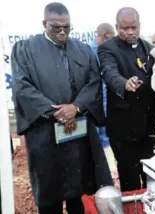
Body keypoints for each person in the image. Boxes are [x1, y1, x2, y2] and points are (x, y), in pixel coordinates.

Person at [11, 2, 112, 213]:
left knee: (79, 192)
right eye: (56, 27)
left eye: (66, 27)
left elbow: (94, 82)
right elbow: (22, 87)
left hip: (78, 132)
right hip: (45, 133)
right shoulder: (25, 50)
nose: (62, 32)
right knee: (50, 196)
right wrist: (57, 112)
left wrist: (75, 107)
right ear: (44, 23)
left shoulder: (83, 50)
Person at [98, 7, 155, 192]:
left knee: (153, 179)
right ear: (116, 26)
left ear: (139, 26)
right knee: (130, 180)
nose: (130, 32)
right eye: (124, 28)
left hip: (150, 127)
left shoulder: (149, 48)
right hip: (124, 129)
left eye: (133, 28)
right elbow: (109, 72)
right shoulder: (107, 48)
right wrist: (123, 83)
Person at [90, 23, 115, 148]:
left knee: (106, 131)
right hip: (94, 97)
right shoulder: (88, 51)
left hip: (107, 96)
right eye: (110, 37)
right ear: (104, 36)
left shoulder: (108, 49)